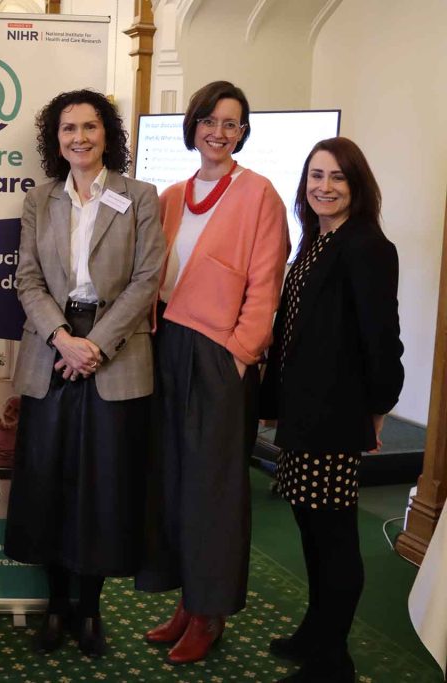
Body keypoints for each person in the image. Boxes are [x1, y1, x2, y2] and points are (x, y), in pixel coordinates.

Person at [3, 89, 165, 658]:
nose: (79, 138)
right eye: (68, 128)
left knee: (103, 486)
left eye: (90, 127)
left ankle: (90, 609)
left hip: (112, 351)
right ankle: (55, 607)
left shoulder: (140, 196)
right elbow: (27, 279)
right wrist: (62, 339)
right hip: (51, 350)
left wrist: (94, 345)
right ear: (56, 139)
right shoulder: (39, 199)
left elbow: (147, 280)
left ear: (107, 134)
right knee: (47, 482)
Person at [136, 80, 289, 664]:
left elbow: (265, 284)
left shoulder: (260, 194)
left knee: (214, 489)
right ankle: (186, 600)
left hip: (219, 356)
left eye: (231, 123)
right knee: (171, 479)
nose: (219, 132)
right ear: (193, 125)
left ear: (242, 133)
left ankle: (210, 612)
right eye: (209, 120)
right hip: (166, 346)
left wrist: (239, 353)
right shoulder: (172, 196)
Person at [259, 137, 404, 682]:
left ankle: (332, 660)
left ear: (356, 185)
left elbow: (382, 338)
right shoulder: (318, 239)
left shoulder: (367, 246)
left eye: (338, 177)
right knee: (310, 526)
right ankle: (315, 633)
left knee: (334, 537)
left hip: (335, 416)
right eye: (316, 175)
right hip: (303, 412)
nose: (324, 186)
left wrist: (379, 407)